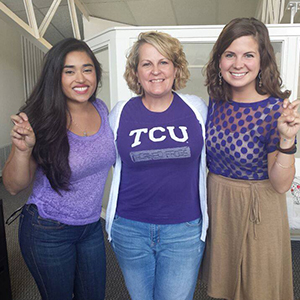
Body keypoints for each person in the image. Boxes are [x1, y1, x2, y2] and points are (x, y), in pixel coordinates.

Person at [2, 38, 116, 300]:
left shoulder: (101, 108)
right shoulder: (40, 118)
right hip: (48, 229)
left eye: (87, 69)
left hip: (90, 227)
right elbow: (13, 186)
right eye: (69, 71)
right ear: (56, 76)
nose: (81, 78)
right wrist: (22, 149)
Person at [201, 17, 300, 300]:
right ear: (219, 60)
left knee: (258, 288)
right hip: (219, 203)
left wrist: (287, 139)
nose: (238, 63)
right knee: (223, 288)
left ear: (262, 60)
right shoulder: (216, 100)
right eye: (229, 54)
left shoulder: (273, 110)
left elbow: (281, 184)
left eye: (248, 55)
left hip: (259, 208)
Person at [106, 31, 207, 300]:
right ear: (136, 72)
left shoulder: (196, 108)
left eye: (164, 62)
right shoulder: (120, 112)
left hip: (183, 231)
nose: (155, 71)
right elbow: (105, 160)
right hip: (129, 228)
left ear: (176, 68)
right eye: (146, 64)